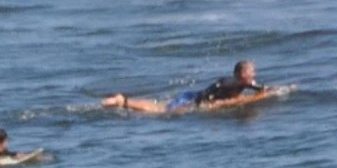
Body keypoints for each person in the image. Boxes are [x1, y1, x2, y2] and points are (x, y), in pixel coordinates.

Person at [103, 59, 268, 114]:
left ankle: (124, 101)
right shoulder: (232, 82)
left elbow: (261, 89)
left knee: (160, 106)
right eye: (252, 72)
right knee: (161, 110)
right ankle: (123, 101)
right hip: (191, 99)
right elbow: (215, 88)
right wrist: (203, 103)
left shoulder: (240, 83)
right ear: (243, 74)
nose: (255, 75)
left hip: (192, 96)